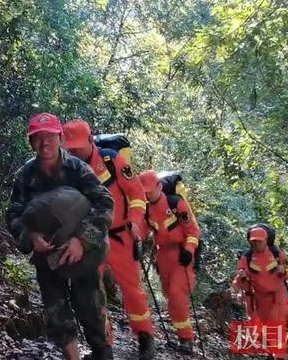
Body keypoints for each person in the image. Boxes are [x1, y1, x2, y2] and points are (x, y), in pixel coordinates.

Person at [6, 113, 115, 360]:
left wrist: (82, 240)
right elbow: (13, 214)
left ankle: (101, 353)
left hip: (82, 254)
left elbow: (105, 203)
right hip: (47, 257)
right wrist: (30, 237)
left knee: (90, 309)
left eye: (50, 137)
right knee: (57, 314)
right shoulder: (25, 175)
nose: (45, 143)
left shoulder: (78, 170)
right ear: (31, 142)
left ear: (60, 138)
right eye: (38, 138)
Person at [62, 119, 155, 359]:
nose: (74, 153)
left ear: (90, 141)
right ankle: (104, 346)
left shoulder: (112, 161)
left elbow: (136, 192)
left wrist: (136, 221)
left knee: (132, 289)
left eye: (78, 148)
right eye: (70, 149)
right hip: (90, 239)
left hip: (121, 235)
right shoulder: (68, 169)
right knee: (93, 292)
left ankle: (145, 337)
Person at [138, 169, 200, 354]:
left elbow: (193, 231)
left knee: (177, 294)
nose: (147, 194)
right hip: (163, 256)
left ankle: (187, 340)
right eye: (144, 191)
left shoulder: (176, 204)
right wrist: (136, 243)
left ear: (159, 186)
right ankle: (181, 336)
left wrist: (189, 250)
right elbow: (142, 230)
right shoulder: (147, 208)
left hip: (181, 254)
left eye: (150, 190)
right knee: (170, 296)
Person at [232, 225, 288, 360]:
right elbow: (238, 282)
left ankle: (280, 356)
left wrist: (283, 271)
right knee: (265, 326)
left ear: (266, 240)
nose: (256, 244)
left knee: (277, 324)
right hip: (259, 297)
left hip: (278, 295)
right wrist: (241, 276)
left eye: (259, 241)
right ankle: (273, 353)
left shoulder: (278, 254)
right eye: (253, 241)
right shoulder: (246, 258)